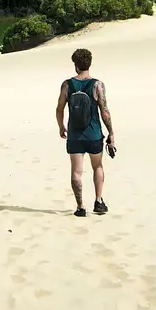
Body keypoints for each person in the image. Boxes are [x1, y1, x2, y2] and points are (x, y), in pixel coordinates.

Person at [55, 48, 114, 217]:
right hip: (94, 134)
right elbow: (104, 110)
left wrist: (61, 126)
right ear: (90, 63)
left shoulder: (67, 84)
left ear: (75, 65)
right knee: (97, 166)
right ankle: (99, 201)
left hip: (75, 135)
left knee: (76, 171)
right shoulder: (98, 85)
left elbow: (59, 108)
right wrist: (111, 133)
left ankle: (80, 207)